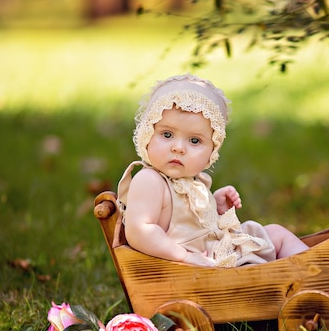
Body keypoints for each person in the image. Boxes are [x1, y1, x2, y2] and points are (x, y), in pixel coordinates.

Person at [117, 74, 309, 267]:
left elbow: (193, 225)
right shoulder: (149, 180)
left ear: (212, 150)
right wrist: (184, 256)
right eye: (167, 134)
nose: (178, 147)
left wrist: (214, 209)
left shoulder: (194, 183)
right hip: (199, 265)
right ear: (147, 134)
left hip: (216, 250)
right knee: (266, 247)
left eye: (194, 141)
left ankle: (315, 268)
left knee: (276, 233)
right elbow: (139, 231)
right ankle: (309, 271)